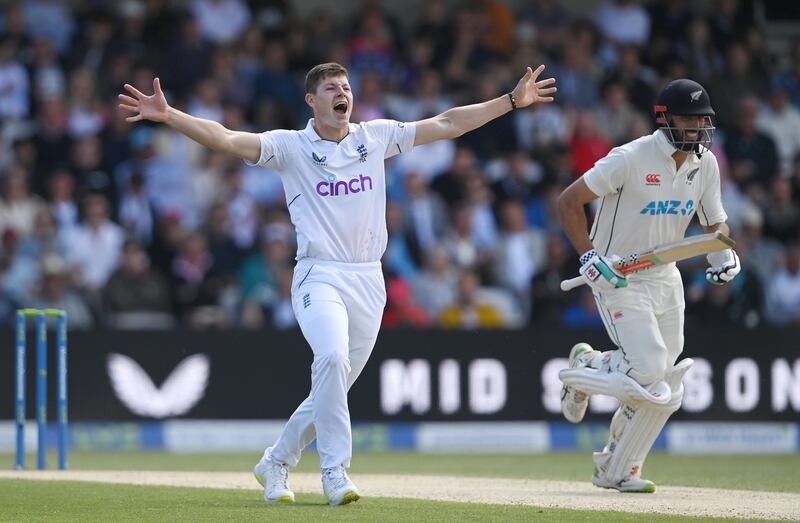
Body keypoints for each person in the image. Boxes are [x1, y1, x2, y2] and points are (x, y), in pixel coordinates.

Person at [118, 62, 555, 506]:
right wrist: (170, 116)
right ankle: (334, 470)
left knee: (333, 385)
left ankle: (276, 462)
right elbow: (226, 138)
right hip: (319, 273)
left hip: (369, 277)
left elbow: (446, 123)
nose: (342, 93)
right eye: (331, 88)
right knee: (330, 357)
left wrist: (512, 101)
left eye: (346, 87)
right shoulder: (290, 147)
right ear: (312, 100)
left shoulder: (375, 136)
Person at [556, 78, 739, 493]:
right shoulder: (631, 157)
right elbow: (568, 201)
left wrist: (722, 252)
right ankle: (582, 372)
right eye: (688, 119)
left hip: (664, 274)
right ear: (665, 118)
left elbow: (714, 224)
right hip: (617, 275)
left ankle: (618, 467)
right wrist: (589, 256)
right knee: (650, 368)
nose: (696, 128)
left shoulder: (705, 163)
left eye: (702, 120)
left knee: (664, 383)